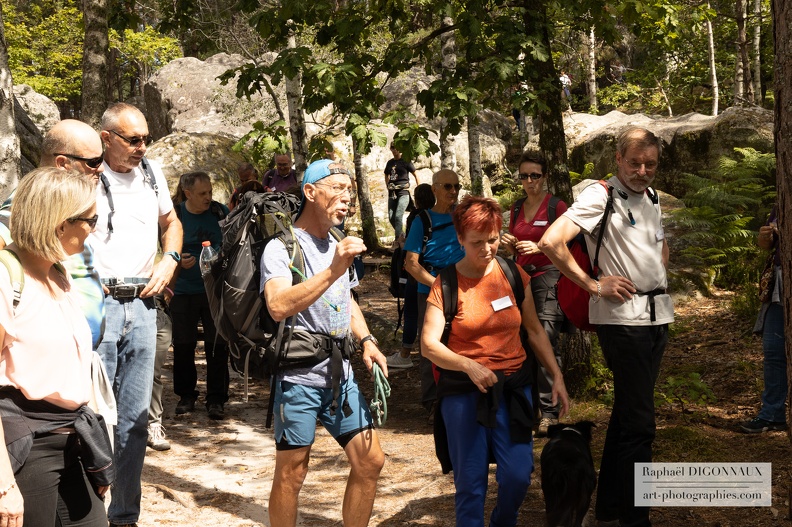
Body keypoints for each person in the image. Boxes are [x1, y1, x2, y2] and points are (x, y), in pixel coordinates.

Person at [539, 127, 673, 527]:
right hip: (623, 320)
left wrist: (657, 271)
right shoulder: (600, 195)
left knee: (629, 414)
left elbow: (659, 244)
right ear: (618, 159)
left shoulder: (651, 196)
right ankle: (635, 518)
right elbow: (551, 241)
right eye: (635, 163)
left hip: (657, 316)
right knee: (641, 425)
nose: (642, 171)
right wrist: (594, 285)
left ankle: (612, 508)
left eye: (650, 164)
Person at [422, 195, 570, 527]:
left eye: (492, 240)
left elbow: (534, 330)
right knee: (471, 482)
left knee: (518, 475)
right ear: (460, 238)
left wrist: (556, 375)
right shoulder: (446, 283)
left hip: (513, 389)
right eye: (477, 242)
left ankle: (503, 520)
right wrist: (469, 365)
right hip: (464, 392)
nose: (487, 249)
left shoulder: (513, 273)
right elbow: (429, 345)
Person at [261, 158, 388, 527]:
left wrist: (367, 340)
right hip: (297, 378)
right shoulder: (281, 247)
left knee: (370, 461)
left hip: (340, 376)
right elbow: (277, 305)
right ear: (310, 192)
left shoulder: (336, 241)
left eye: (349, 190)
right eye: (337, 188)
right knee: (293, 473)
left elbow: (345, 300)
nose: (346, 197)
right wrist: (334, 269)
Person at [0, 167, 112, 526]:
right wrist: (4, 485)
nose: (93, 229)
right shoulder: (5, 279)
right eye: (90, 220)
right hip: (25, 448)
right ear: (60, 224)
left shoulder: (59, 274)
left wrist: (94, 449)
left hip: (72, 442)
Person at [93, 102, 183, 527]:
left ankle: (124, 516)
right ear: (106, 138)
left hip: (145, 305)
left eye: (146, 138)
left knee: (134, 420)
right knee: (93, 414)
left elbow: (172, 222)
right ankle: (87, 514)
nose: (142, 147)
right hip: (99, 305)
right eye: (133, 139)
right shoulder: (85, 174)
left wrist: (170, 260)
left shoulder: (151, 172)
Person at [0, 119, 107, 349]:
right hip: (43, 354)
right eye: (93, 162)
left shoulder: (67, 201)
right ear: (62, 163)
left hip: (78, 349)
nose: (101, 168)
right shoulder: (31, 203)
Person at [501, 153, 568, 436]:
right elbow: (514, 246)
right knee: (521, 341)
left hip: (548, 277)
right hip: (521, 278)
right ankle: (527, 410)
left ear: (545, 177)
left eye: (535, 175)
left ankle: (550, 413)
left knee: (545, 339)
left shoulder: (556, 206)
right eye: (524, 176)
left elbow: (567, 241)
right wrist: (510, 244)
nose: (529, 181)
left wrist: (540, 247)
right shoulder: (517, 207)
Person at [403, 170, 465, 418]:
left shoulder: (463, 217)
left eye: (457, 186)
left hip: (464, 289)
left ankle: (461, 395)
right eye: (448, 186)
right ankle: (433, 402)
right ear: (435, 189)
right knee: (430, 345)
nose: (453, 191)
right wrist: (438, 286)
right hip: (430, 292)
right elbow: (411, 263)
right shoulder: (423, 220)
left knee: (463, 342)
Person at [168, 171, 230, 420]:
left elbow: (233, 243)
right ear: (188, 193)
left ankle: (216, 399)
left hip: (215, 291)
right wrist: (177, 260)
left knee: (218, 345)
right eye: (203, 193)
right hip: (183, 290)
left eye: (210, 192)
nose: (208, 197)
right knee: (183, 345)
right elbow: (164, 248)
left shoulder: (219, 212)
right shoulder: (175, 215)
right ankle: (186, 395)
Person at [741, 206, 788, 433]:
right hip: (778, 285)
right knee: (773, 351)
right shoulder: (781, 203)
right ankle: (772, 415)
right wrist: (765, 237)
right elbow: (766, 246)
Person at [387, 182, 435, 369]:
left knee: (412, 312)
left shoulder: (417, 216)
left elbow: (411, 246)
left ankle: (406, 354)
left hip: (416, 272)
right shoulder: (437, 215)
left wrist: (401, 244)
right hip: (433, 270)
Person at [384, 143, 420, 249]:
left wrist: (419, 189)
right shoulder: (390, 163)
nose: (395, 150)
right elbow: (386, 174)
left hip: (403, 192)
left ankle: (397, 241)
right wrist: (387, 185)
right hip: (392, 192)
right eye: (393, 148)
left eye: (397, 147)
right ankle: (403, 236)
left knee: (398, 216)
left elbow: (416, 174)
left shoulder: (406, 161)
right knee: (391, 217)